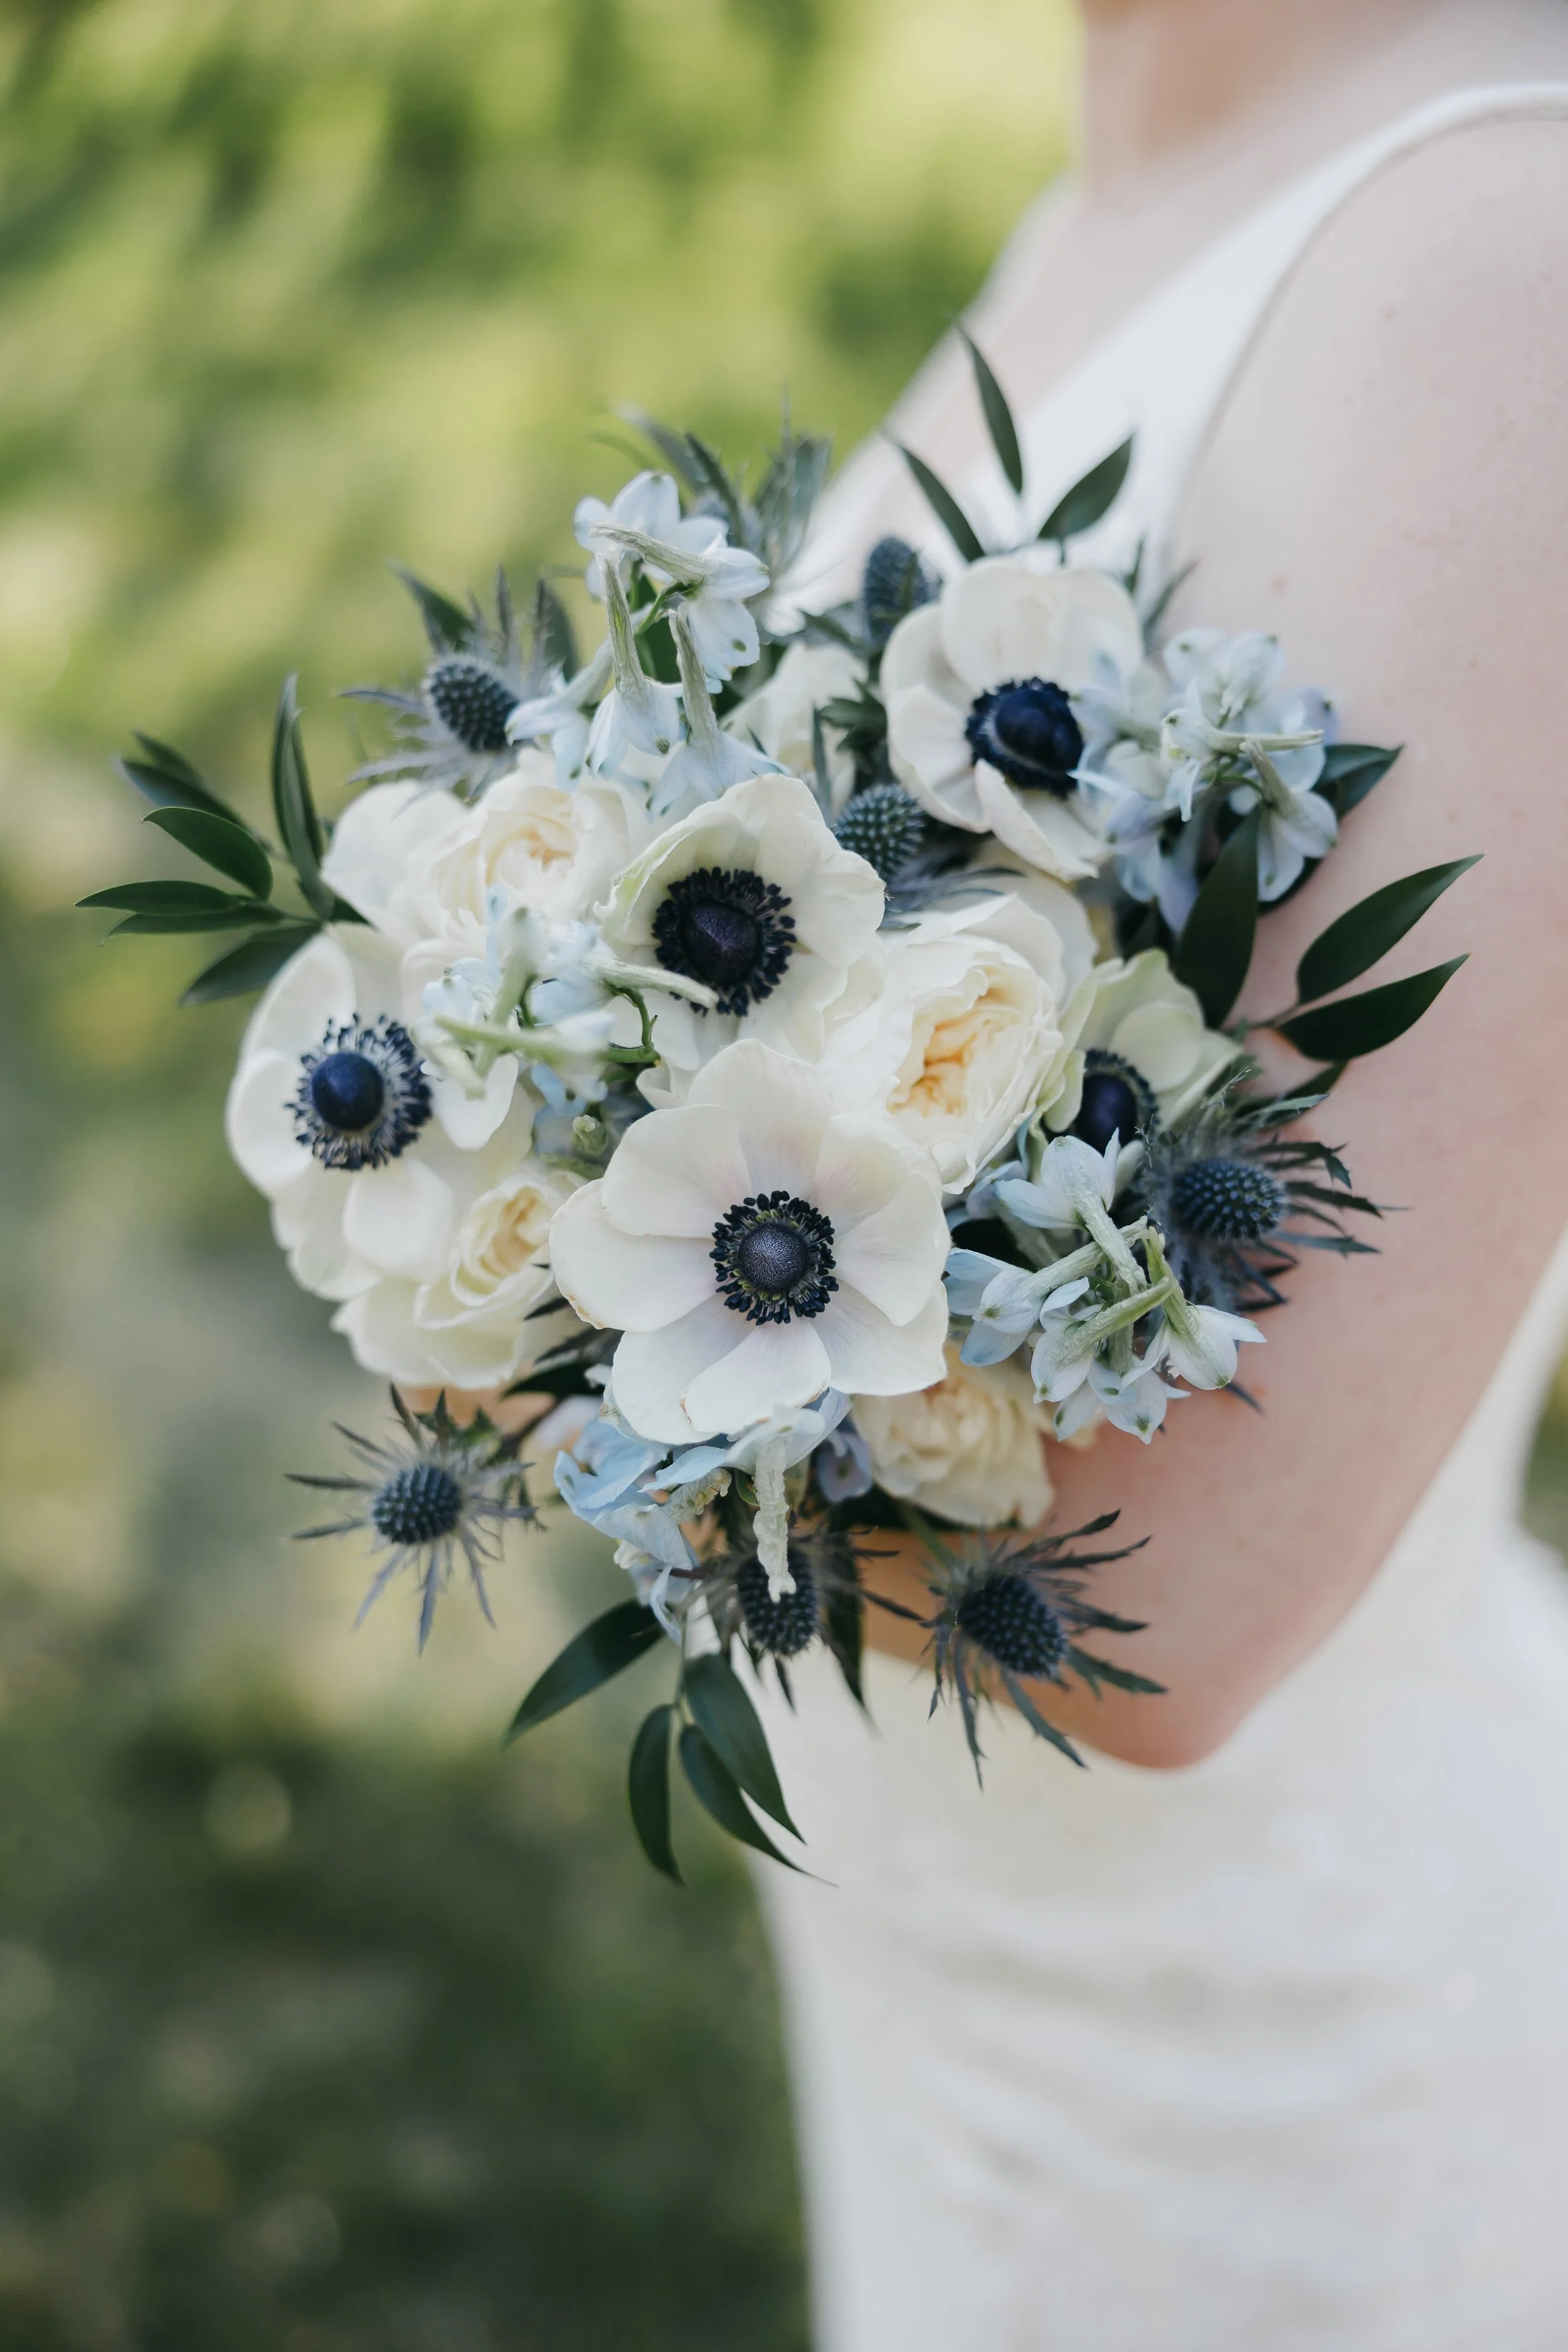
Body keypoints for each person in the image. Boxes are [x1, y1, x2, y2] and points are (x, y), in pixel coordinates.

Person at [755, 4, 1568, 2344]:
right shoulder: (1122, 170)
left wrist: (507, 1340)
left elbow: (1161, 1598)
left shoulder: (1501, 254)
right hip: (950, 1980)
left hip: (1275, 2088)